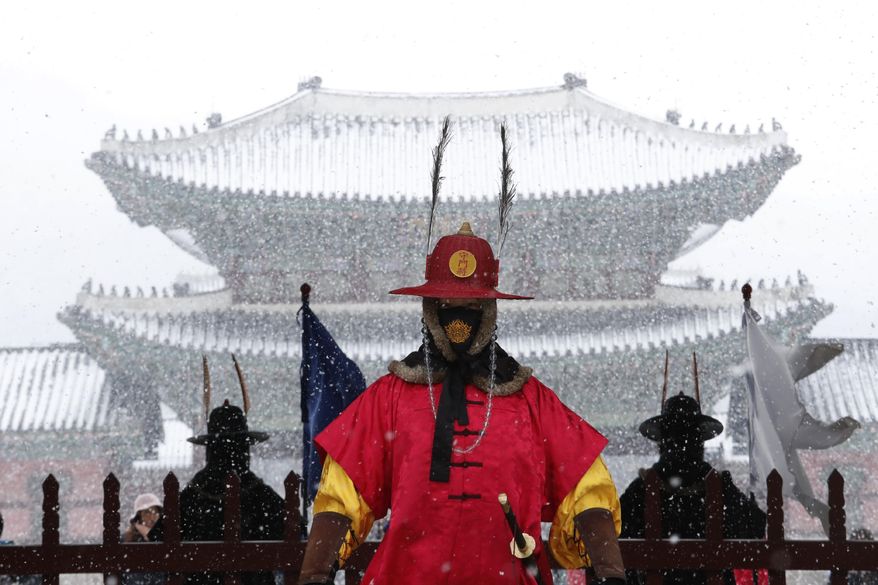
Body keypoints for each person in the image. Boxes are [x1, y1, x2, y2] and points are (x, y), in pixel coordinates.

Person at [297, 221, 626, 585]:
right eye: (448, 304)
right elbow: (341, 494)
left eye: (472, 305)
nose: (459, 316)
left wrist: (609, 570)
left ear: (490, 310)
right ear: (429, 308)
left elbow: (586, 485)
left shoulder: (531, 401)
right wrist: (315, 573)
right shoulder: (388, 397)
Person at [620, 355, 766, 585]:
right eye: (679, 436)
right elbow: (755, 527)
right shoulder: (716, 487)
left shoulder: (643, 489)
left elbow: (754, 529)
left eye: (685, 436)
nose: (681, 443)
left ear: (661, 441)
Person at [180, 357, 285, 585]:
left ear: (210, 448)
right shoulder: (261, 496)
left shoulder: (191, 496)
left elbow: (160, 538)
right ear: (245, 447)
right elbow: (293, 531)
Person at [121, 494, 165, 585]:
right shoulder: (126, 540)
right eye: (147, 512)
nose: (152, 517)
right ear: (139, 517)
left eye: (155, 512)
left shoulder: (165, 538)